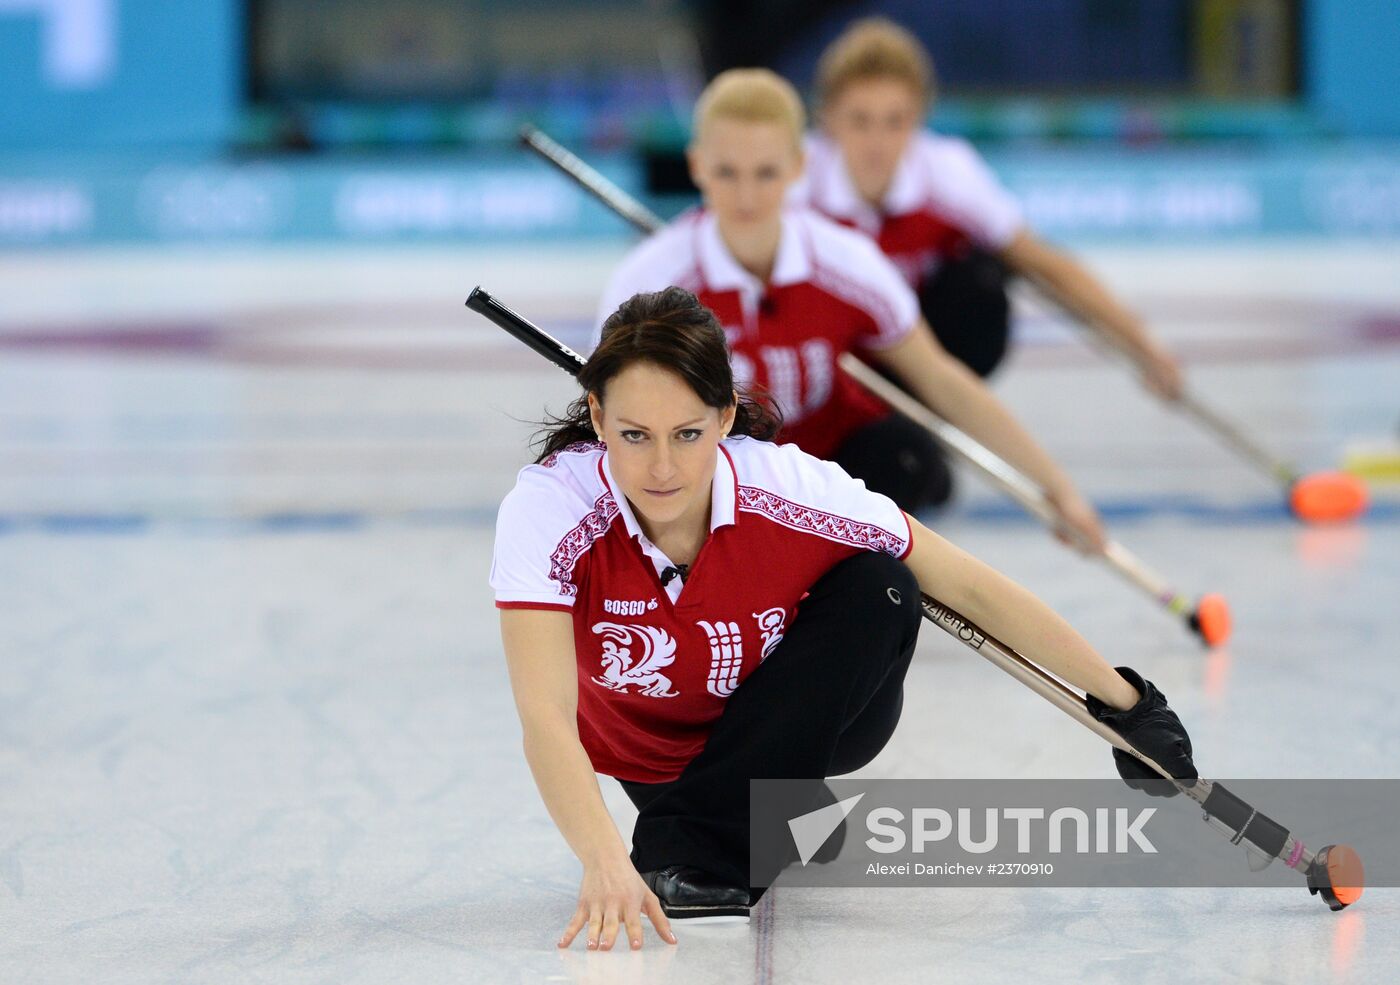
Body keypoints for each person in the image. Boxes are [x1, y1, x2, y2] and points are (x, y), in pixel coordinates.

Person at [493, 287, 1198, 948]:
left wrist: (1127, 701)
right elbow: (545, 714)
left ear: (727, 417)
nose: (662, 468)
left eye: (687, 433)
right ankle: (749, 817)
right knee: (724, 806)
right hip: (650, 750)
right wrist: (604, 859)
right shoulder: (550, 508)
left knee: (882, 584)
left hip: (804, 725)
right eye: (634, 435)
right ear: (597, 417)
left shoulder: (790, 487)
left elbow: (972, 588)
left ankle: (715, 836)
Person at [595, 68, 1106, 548]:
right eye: (727, 172)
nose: (746, 196)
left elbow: (941, 380)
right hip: (712, 490)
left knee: (905, 458)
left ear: (798, 167)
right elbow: (615, 424)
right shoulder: (650, 281)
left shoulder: (846, 264)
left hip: (832, 478)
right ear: (697, 165)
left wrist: (1057, 489)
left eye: (766, 172)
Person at [796, 17, 1184, 395]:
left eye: (895, 121)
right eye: (860, 121)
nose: (877, 143)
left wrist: (1141, 346)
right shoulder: (796, 179)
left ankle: (935, 404)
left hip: (920, 359)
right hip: (832, 360)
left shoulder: (946, 174)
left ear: (919, 117)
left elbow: (1044, 264)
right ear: (828, 118)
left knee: (982, 279)